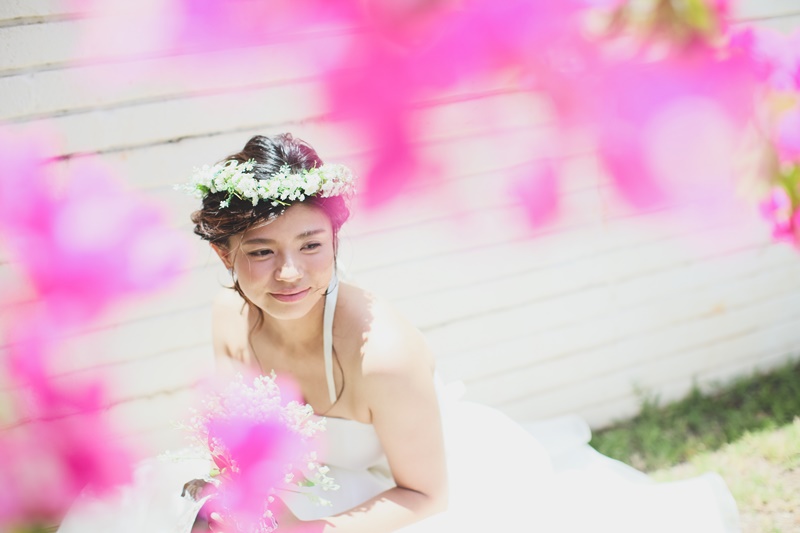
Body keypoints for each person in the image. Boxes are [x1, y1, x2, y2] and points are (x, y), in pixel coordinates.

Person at [58, 133, 741, 533]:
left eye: (311, 245)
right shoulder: (228, 316)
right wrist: (239, 503)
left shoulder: (383, 352)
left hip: (403, 497)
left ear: (336, 239)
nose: (290, 272)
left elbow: (426, 496)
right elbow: (240, 439)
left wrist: (310, 529)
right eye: (261, 250)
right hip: (303, 488)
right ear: (223, 254)